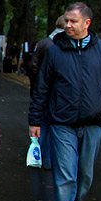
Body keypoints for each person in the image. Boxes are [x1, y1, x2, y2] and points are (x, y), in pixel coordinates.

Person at [28, 2, 101, 201]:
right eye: (67, 21)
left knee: (85, 176)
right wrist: (35, 121)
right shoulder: (55, 51)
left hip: (92, 123)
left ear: (87, 23)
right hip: (62, 123)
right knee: (66, 176)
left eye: (73, 21)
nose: (68, 25)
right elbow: (42, 88)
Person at [29, 15, 67, 170]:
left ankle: (40, 155)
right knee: (53, 124)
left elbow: (34, 65)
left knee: (42, 123)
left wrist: (37, 82)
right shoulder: (60, 46)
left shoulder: (43, 43)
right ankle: (50, 160)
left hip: (42, 89)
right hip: (56, 92)